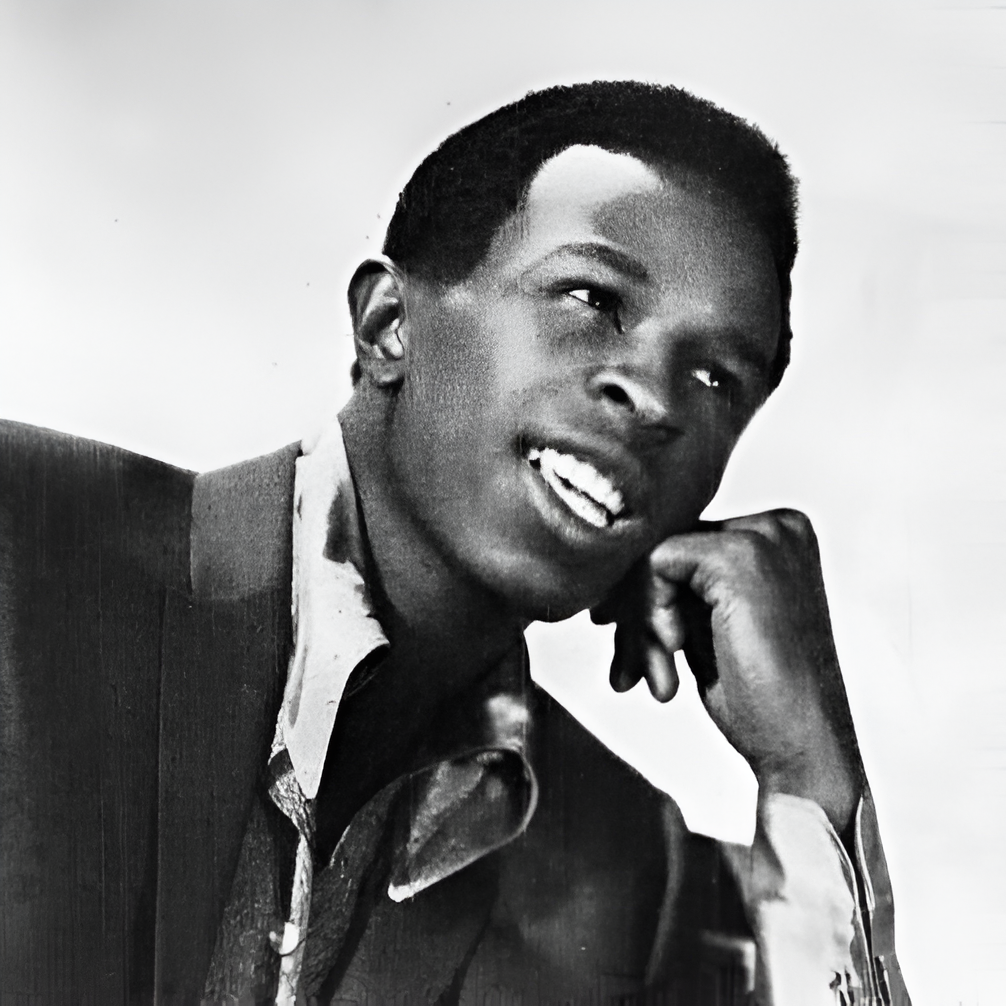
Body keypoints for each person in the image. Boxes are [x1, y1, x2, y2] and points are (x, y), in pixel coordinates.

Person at [0, 81, 911, 1005]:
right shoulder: (22, 545)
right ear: (388, 326)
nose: (655, 397)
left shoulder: (640, 887)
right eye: (592, 298)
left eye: (716, 378)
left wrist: (809, 773)